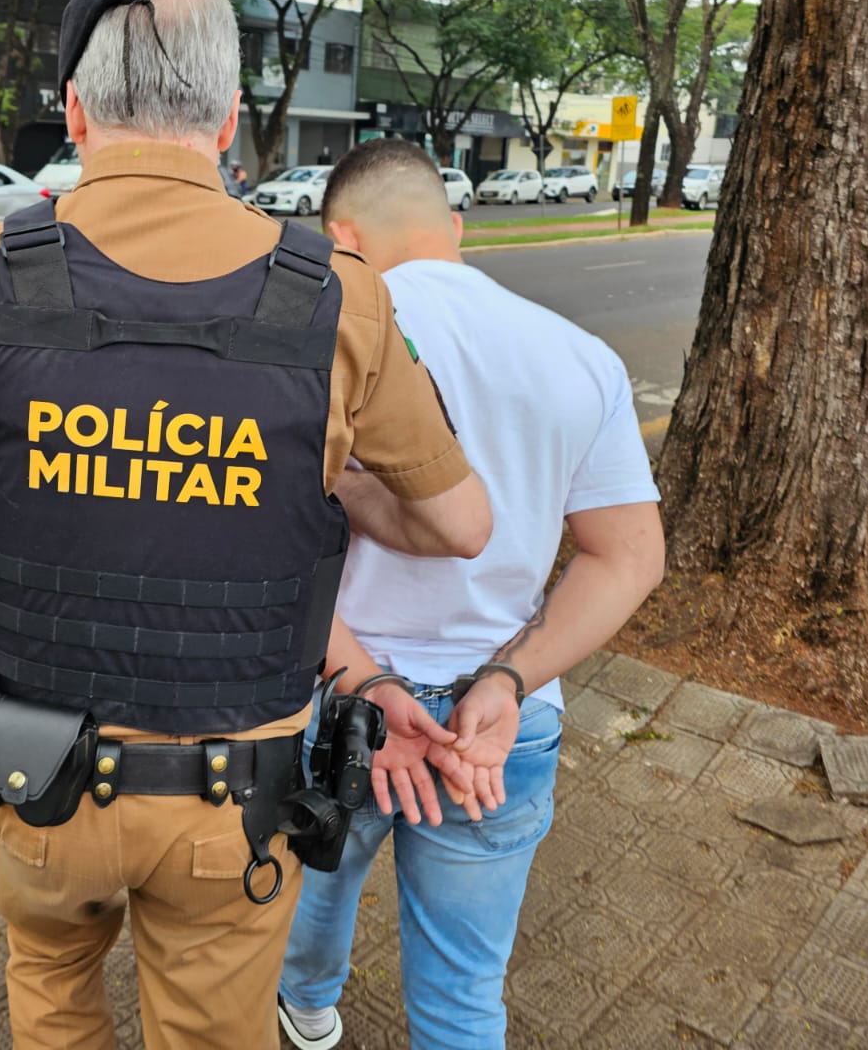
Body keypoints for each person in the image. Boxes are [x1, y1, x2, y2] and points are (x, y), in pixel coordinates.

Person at [0, 0, 493, 1050]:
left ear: (76, 113)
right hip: (229, 804)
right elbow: (460, 526)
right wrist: (310, 472)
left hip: (34, 777)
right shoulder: (340, 299)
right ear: (230, 118)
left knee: (47, 989)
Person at [276, 138, 666, 1050]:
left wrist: (367, 678)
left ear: (341, 237)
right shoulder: (581, 357)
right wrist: (505, 681)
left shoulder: (307, 342)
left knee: (307, 906)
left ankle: (308, 1013)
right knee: (462, 996)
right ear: (455, 228)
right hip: (493, 733)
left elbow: (263, 554)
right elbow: (629, 558)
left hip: (336, 701)